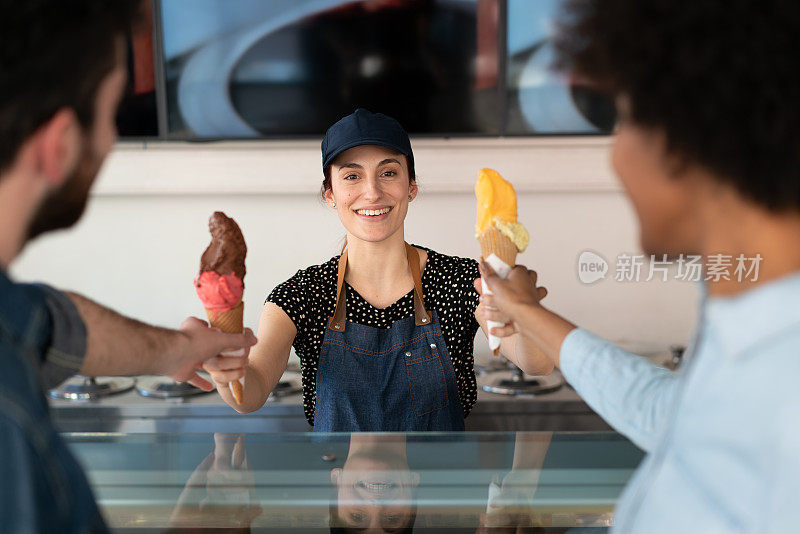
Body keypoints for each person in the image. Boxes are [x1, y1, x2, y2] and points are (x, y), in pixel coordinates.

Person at [478, 0, 800, 532]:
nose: (616, 154)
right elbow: (667, 414)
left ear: (688, 133)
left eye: (625, 119)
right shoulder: (747, 325)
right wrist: (525, 311)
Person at [0, 2, 254, 531]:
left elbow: (53, 323)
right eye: (113, 112)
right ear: (60, 144)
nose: (113, 141)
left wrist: (176, 351)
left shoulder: (12, 314)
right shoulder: (8, 424)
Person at [204, 108, 553, 431]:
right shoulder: (301, 295)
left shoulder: (463, 281)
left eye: (388, 173)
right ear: (330, 193)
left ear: (410, 187)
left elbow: (536, 364)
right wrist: (226, 368)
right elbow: (250, 395)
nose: (372, 192)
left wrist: (522, 311)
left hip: (440, 493)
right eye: (352, 176)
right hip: (343, 492)